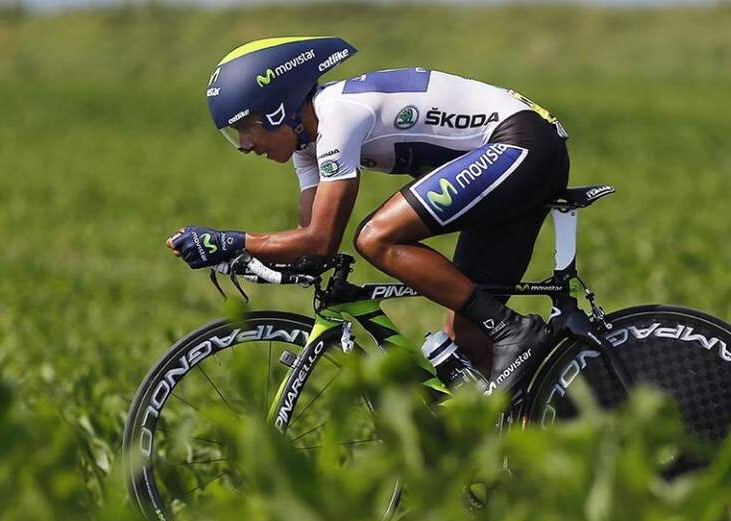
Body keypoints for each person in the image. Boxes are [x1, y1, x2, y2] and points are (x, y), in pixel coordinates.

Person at [167, 36, 570, 392]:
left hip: (522, 144)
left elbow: (322, 238)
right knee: (468, 334)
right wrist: (244, 256)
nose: (245, 144)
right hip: (516, 156)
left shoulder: (339, 115)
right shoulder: (307, 148)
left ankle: (512, 328)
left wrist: (233, 240)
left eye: (247, 127)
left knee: (375, 237)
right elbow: (312, 249)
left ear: (277, 109)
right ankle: (532, 430)